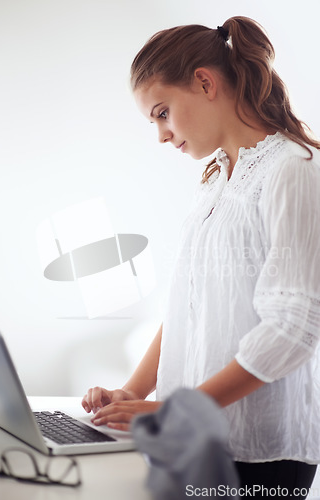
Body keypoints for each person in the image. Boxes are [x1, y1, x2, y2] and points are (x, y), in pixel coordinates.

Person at [82, 17, 320, 497]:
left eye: (162, 112)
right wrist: (135, 391)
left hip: (259, 453)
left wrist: (182, 408)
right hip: (196, 438)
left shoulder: (293, 171)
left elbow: (295, 326)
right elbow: (188, 305)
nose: (162, 136)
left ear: (205, 82)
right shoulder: (215, 182)